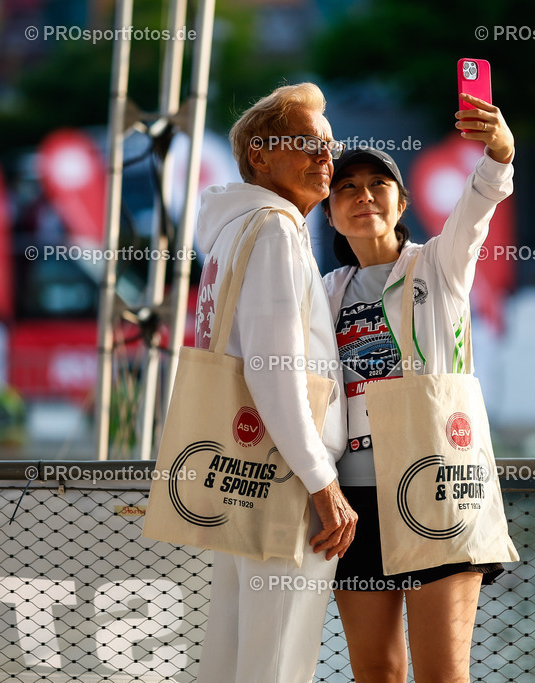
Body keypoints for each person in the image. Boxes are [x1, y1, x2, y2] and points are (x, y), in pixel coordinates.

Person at [321, 93, 516, 683]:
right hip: (352, 505)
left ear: (401, 202)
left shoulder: (440, 265)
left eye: (377, 184)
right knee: (375, 673)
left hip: (439, 493)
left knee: (441, 676)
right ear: (328, 212)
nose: (361, 195)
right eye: (345, 187)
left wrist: (500, 152)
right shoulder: (321, 290)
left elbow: (480, 202)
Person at [193, 82, 358, 683]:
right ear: (260, 154)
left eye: (329, 146)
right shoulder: (277, 231)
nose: (326, 159)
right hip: (287, 472)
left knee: (236, 651)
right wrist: (321, 481)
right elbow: (275, 367)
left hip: (241, 465)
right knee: (279, 660)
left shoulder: (231, 232)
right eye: (309, 144)